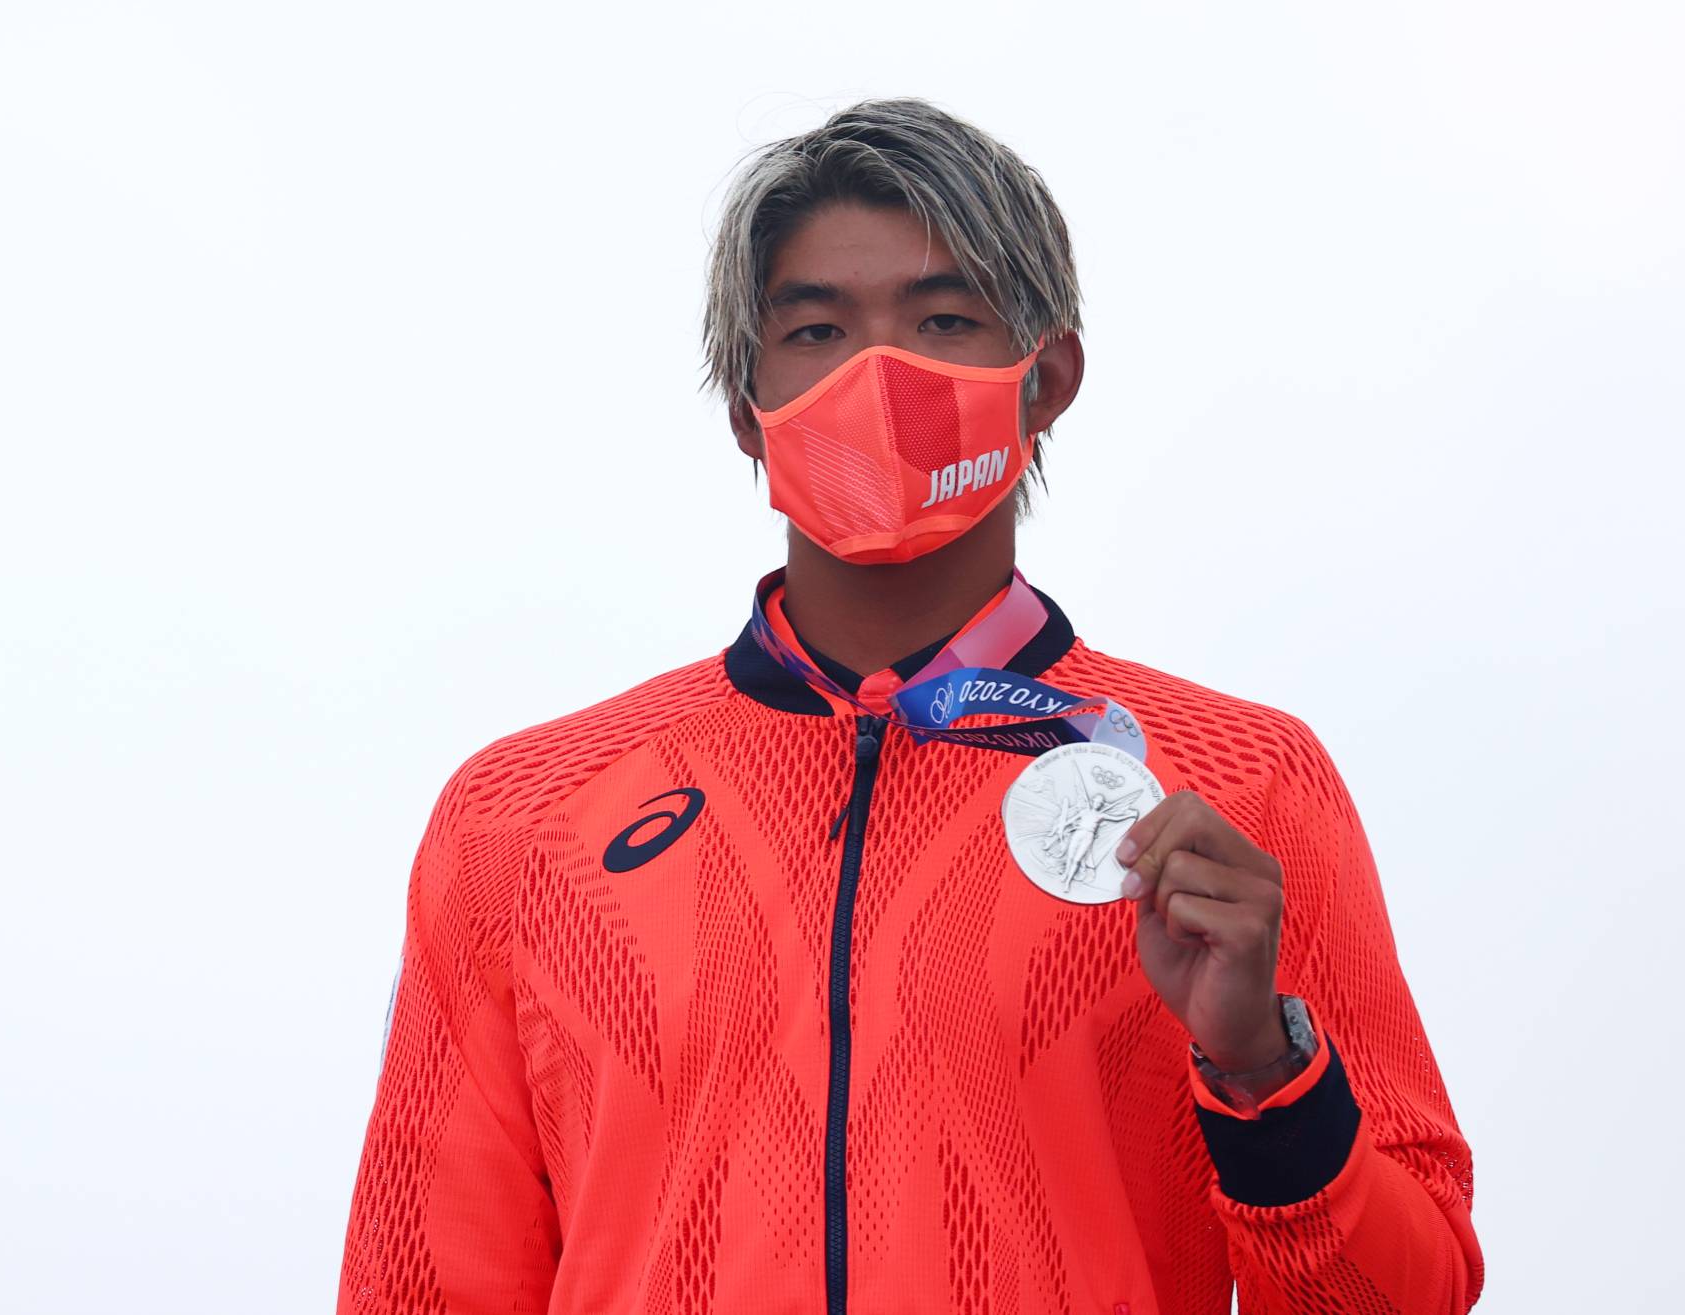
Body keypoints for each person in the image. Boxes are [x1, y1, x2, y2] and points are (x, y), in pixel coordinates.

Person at [335, 97, 1483, 1314]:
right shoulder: (523, 817)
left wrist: (1258, 1067)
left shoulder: (1236, 786)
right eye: (816, 329)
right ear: (746, 412)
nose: (875, 375)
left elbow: (1406, 1295)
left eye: (942, 320)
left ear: (1044, 378)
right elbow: (419, 1286)